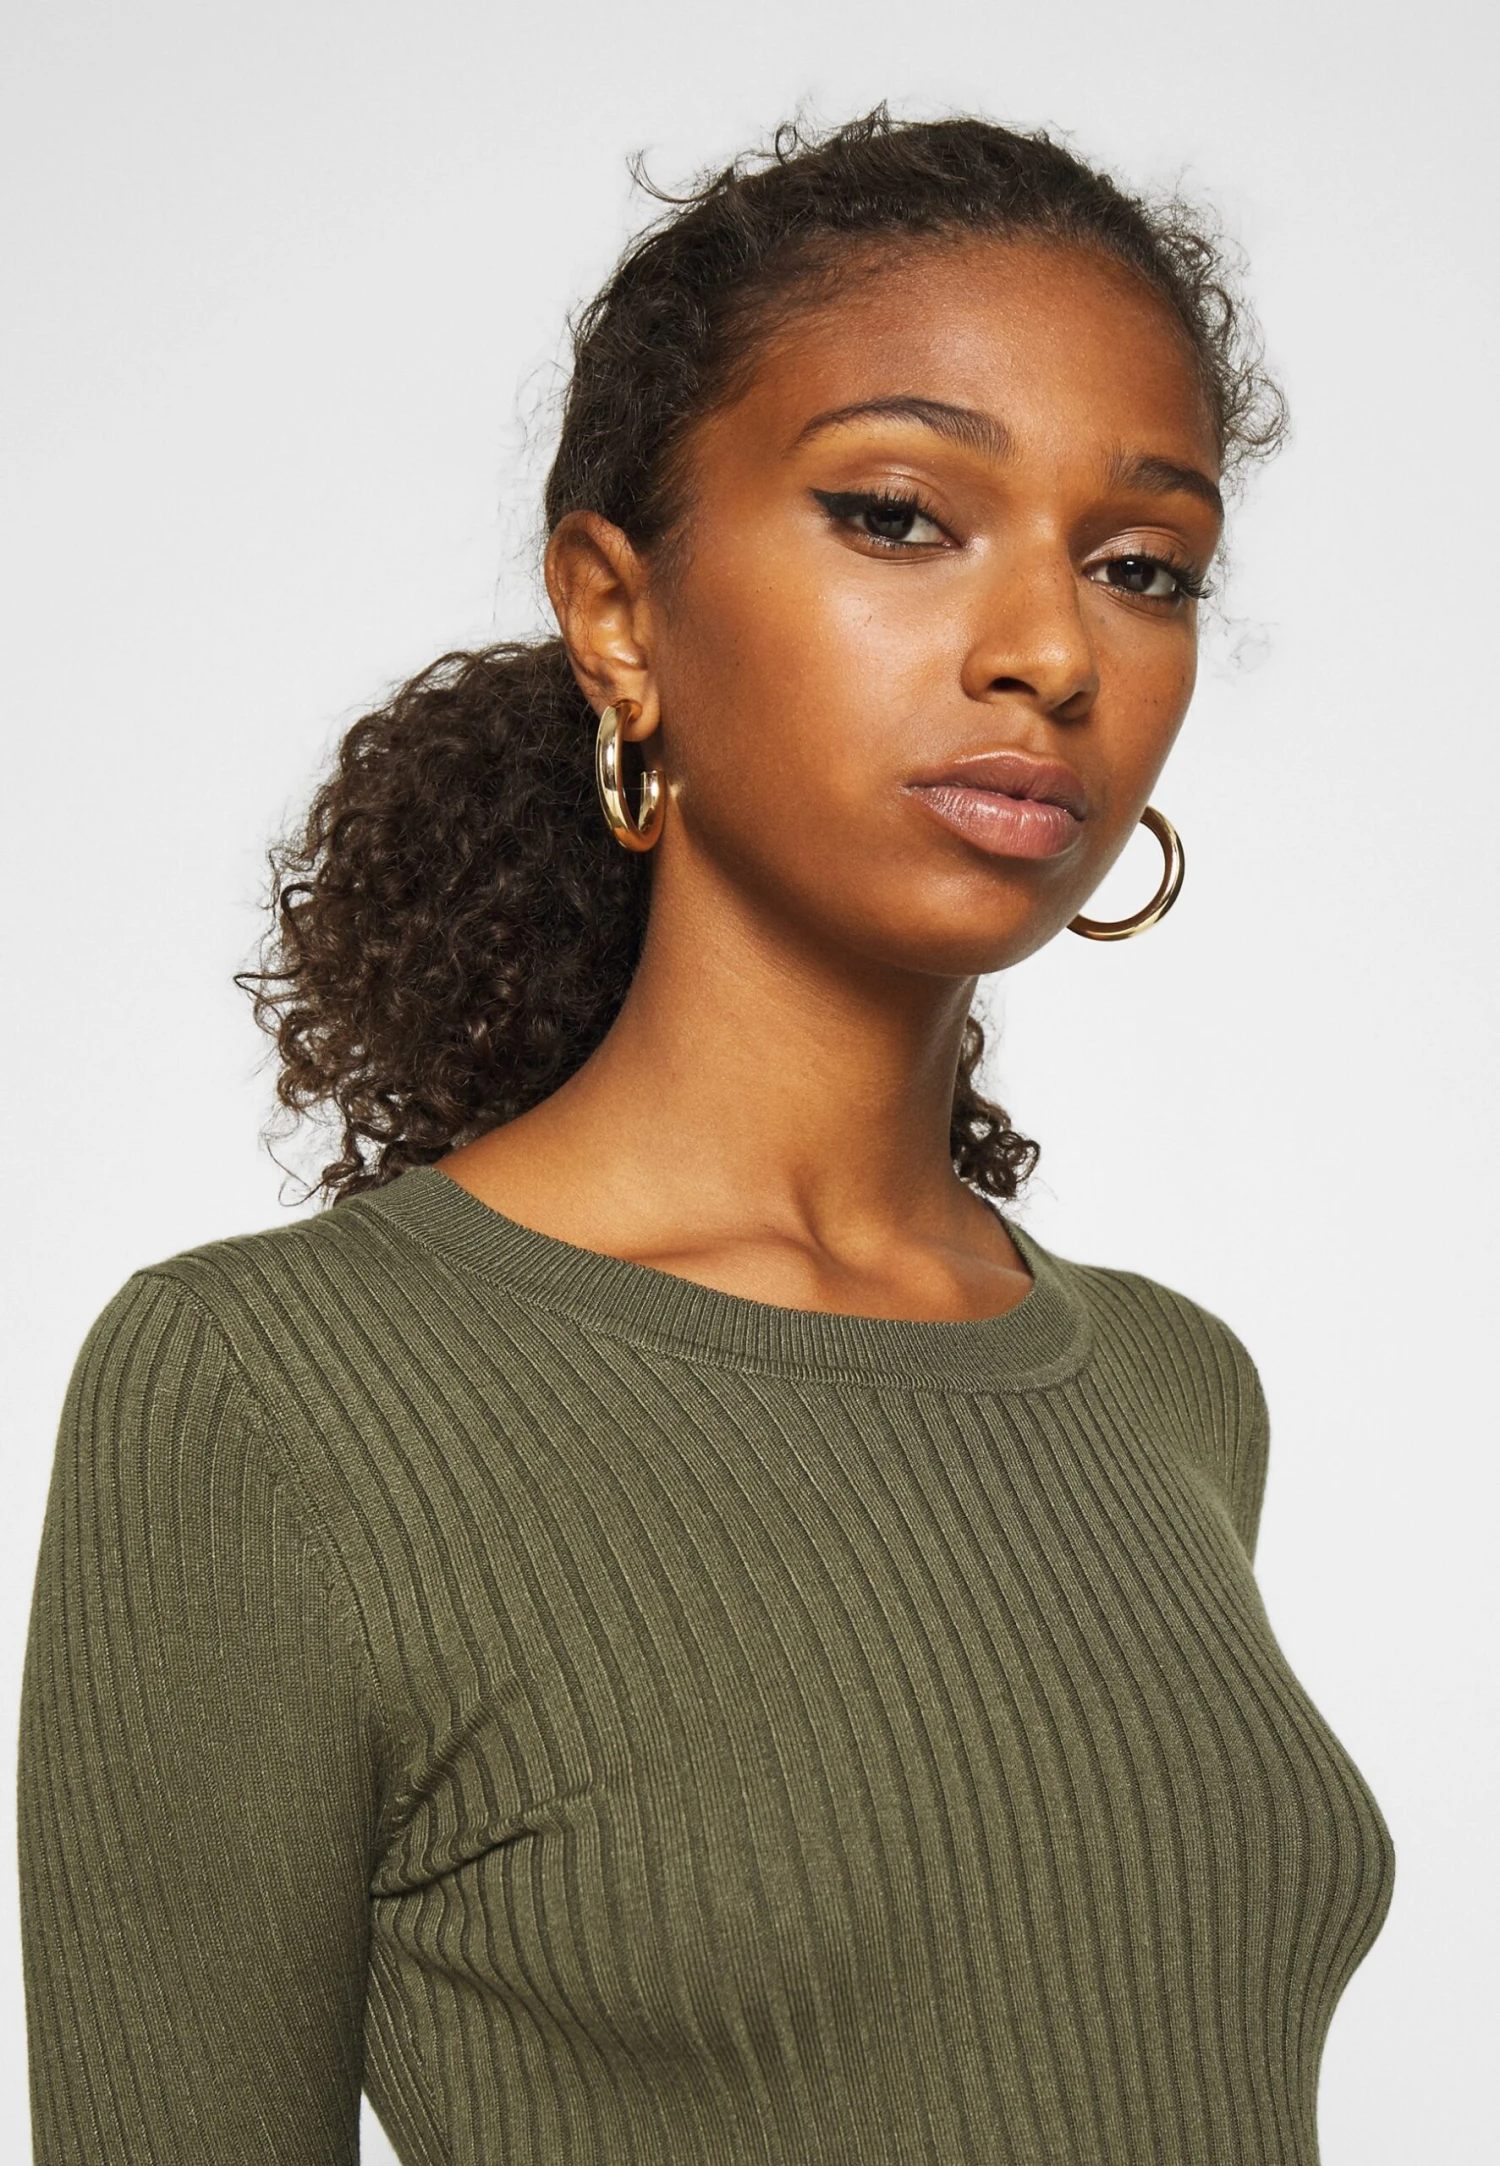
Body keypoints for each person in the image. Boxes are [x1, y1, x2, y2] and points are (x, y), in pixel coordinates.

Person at [17, 106, 1396, 2165]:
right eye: (900, 515)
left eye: (1143, 566)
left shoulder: (1175, 1392)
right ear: (619, 614)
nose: (1049, 651)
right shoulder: (268, 1395)